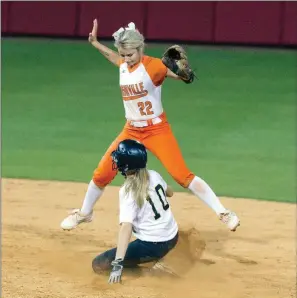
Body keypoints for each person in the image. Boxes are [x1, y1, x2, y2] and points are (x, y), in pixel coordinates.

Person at [60, 20, 240, 232]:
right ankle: (85, 213)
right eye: (123, 55)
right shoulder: (125, 65)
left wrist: (184, 75)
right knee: (101, 174)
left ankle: (223, 212)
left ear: (140, 49)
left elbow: (178, 76)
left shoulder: (152, 66)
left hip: (156, 130)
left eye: (130, 55)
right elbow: (114, 58)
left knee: (181, 175)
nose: (126, 59)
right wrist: (96, 43)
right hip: (131, 130)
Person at [92, 139, 178, 283]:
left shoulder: (128, 190)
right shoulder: (154, 175)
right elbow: (170, 193)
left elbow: (126, 227)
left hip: (153, 246)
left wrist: (118, 263)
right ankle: (158, 260)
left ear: (125, 166)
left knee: (99, 264)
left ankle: (153, 270)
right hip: (173, 237)